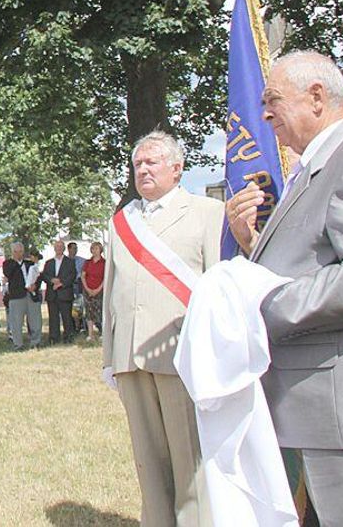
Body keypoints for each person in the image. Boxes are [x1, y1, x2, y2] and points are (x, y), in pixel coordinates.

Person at [225, 51, 343, 526]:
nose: (264, 114)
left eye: (273, 100)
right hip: (310, 409)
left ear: (316, 97)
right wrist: (252, 247)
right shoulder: (314, 169)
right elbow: (313, 257)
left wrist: (270, 305)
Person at [102, 130, 223, 527]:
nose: (143, 170)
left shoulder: (207, 212)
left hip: (182, 354)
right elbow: (112, 294)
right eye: (138, 164)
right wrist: (109, 356)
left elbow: (218, 287)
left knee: (189, 459)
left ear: (177, 168)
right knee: (148, 460)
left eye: (151, 162)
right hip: (130, 355)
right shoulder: (122, 222)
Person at [2, 242, 39, 350]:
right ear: (12, 252)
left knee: (35, 320)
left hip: (31, 294)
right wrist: (17, 262)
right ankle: (18, 344)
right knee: (16, 322)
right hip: (16, 296)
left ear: (23, 252)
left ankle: (35, 342)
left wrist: (35, 285)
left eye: (20, 251)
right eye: (15, 252)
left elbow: (38, 276)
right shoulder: (8, 264)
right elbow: (8, 273)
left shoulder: (30, 263)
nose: (18, 254)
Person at [40, 239, 78, 344]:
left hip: (65, 293)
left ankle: (68, 338)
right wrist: (52, 280)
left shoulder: (70, 262)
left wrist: (61, 283)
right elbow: (44, 275)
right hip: (52, 294)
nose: (59, 249)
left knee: (67, 317)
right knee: (53, 318)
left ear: (64, 249)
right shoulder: (49, 262)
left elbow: (72, 275)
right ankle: (54, 338)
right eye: (57, 247)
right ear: (54, 248)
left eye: (61, 247)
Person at [81, 242, 106, 340]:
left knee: (100, 311)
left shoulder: (104, 263)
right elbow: (83, 276)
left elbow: (105, 278)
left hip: (100, 290)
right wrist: (87, 289)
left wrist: (98, 289)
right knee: (89, 311)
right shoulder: (87, 262)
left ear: (100, 250)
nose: (94, 251)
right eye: (93, 249)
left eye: (96, 249)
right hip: (87, 290)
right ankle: (90, 334)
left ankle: (103, 332)